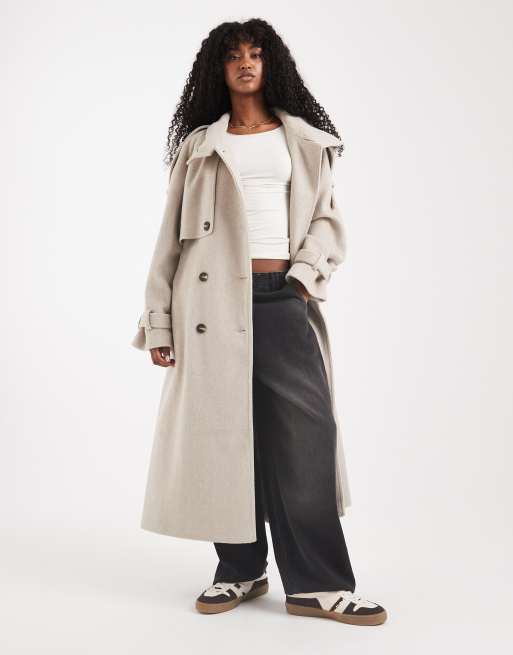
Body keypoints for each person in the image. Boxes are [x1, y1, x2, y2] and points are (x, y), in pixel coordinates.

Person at [132, 18, 387, 626]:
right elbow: (168, 242)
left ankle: (319, 585)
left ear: (271, 63)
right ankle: (240, 569)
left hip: (281, 299)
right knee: (226, 439)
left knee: (306, 440)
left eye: (255, 53)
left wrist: (302, 277)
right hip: (209, 308)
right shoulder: (199, 147)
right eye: (233, 56)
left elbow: (327, 220)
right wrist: (159, 323)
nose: (246, 63)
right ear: (217, 70)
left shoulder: (303, 141)